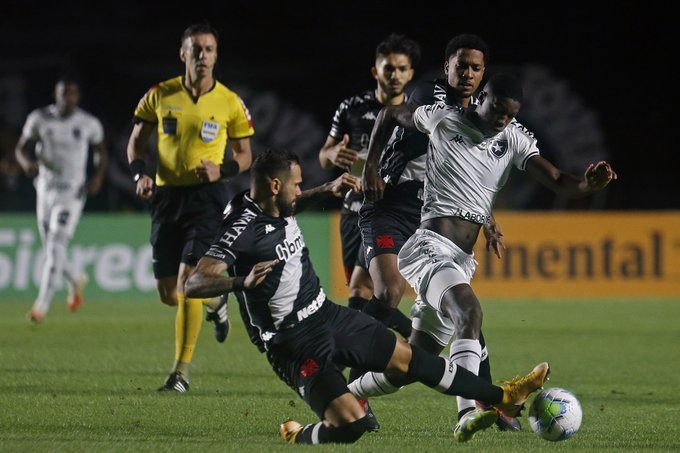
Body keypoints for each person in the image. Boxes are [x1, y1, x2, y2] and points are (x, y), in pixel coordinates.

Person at [184, 148, 550, 445]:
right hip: (294, 344)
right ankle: (300, 436)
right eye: (297, 185)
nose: (300, 191)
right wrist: (240, 283)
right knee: (352, 426)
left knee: (412, 359)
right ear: (275, 185)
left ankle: (505, 396)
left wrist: (324, 191)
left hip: (328, 316)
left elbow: (291, 206)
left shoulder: (275, 202)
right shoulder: (242, 229)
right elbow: (194, 283)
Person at [350, 72, 617, 441]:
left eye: (509, 115)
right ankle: (468, 411)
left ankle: (343, 394)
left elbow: (558, 180)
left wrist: (588, 184)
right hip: (427, 246)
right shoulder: (443, 119)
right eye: (496, 111)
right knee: (470, 312)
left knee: (409, 366)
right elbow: (391, 114)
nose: (501, 121)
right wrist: (372, 165)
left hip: (460, 258)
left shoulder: (513, 139)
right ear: (480, 98)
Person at [357, 34, 518, 433]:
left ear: (484, 76)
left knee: (458, 318)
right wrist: (371, 166)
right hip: (390, 203)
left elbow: (473, 178)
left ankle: (483, 400)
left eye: (475, 69)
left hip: (427, 213)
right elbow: (392, 113)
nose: (466, 74)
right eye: (460, 66)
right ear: (447, 67)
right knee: (392, 292)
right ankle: (349, 348)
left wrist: (488, 221)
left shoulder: (481, 117)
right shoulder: (434, 98)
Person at [126, 23, 254, 392]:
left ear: (216, 55)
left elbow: (245, 155)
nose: (203, 56)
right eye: (196, 49)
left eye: (209, 49)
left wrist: (223, 168)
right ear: (183, 53)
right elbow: (136, 143)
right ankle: (215, 303)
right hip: (166, 199)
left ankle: (180, 373)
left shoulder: (229, 101)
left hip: (207, 199)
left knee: (186, 283)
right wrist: (139, 174)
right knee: (169, 294)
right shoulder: (160, 94)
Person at [318, 33, 420, 320]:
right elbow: (323, 156)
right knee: (358, 290)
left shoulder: (416, 116)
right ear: (376, 71)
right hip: (353, 208)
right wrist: (333, 154)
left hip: (390, 209)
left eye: (402, 69)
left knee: (371, 289)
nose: (395, 75)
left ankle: (376, 354)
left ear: (410, 73)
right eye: (389, 68)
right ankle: (396, 351)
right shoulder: (351, 108)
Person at [15, 76, 107, 323]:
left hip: (72, 192)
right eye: (64, 93)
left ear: (78, 96)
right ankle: (76, 278)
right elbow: (21, 148)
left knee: (56, 244)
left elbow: (101, 152)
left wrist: (97, 177)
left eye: (73, 94)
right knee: (50, 246)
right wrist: (26, 163)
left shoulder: (88, 123)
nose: (69, 98)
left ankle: (41, 306)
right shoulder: (39, 119)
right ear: (56, 95)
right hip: (45, 189)